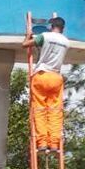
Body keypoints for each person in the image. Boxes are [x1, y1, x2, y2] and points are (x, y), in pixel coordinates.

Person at [23, 15, 69, 150]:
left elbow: (25, 44)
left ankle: (42, 142)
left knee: (39, 109)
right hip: (56, 78)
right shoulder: (66, 42)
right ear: (63, 28)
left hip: (41, 75)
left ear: (51, 26)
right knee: (55, 111)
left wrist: (28, 35)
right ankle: (54, 143)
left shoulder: (45, 36)